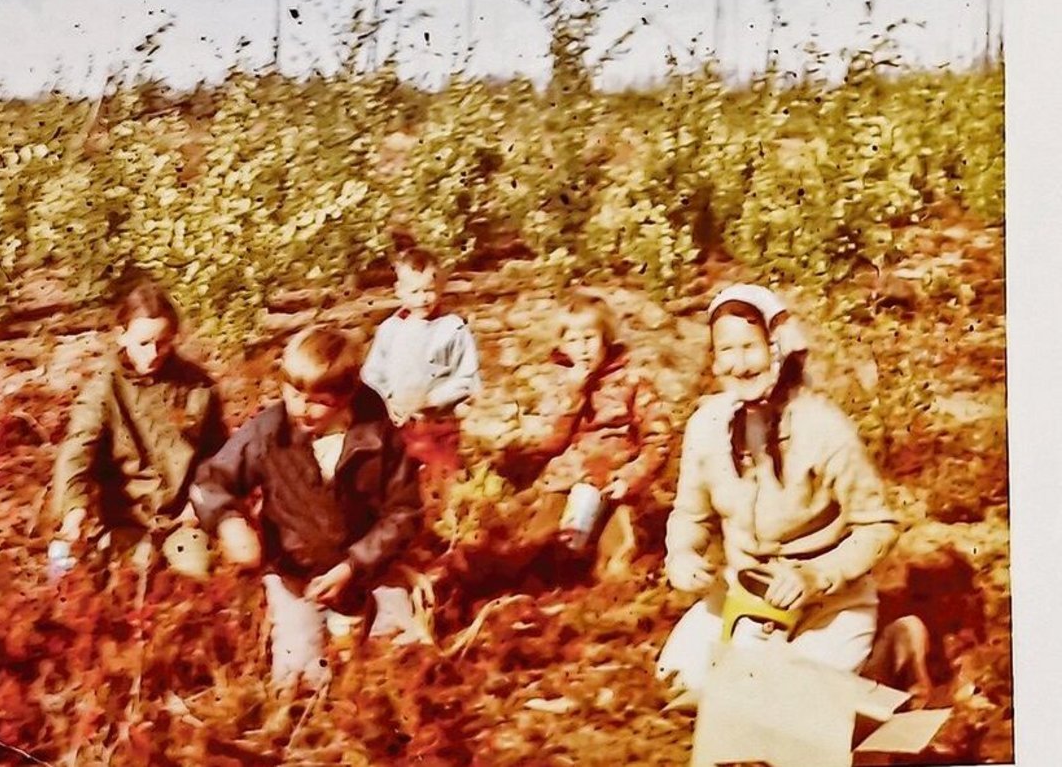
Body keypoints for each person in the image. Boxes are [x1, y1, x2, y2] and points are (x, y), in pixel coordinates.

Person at [657, 284, 900, 697]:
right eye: (726, 350)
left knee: (787, 700)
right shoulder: (707, 424)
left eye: (750, 347)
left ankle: (889, 650)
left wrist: (816, 575)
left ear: (776, 348)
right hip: (743, 597)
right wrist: (681, 554)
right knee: (681, 685)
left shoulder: (823, 426)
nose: (740, 364)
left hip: (827, 603)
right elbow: (690, 515)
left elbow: (879, 526)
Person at [189, 325, 423, 697]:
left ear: (347, 396)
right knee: (299, 680)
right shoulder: (270, 433)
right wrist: (228, 520)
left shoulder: (378, 437)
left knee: (395, 666)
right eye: (294, 393)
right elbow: (210, 480)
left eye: (319, 400)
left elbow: (405, 512)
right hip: (295, 576)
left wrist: (353, 566)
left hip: (366, 569)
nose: (302, 408)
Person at [445, 293, 672, 589]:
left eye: (590, 338)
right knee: (537, 547)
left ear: (605, 338)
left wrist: (631, 477)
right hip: (564, 481)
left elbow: (660, 437)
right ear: (563, 344)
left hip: (613, 483)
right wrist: (573, 395)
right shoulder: (558, 382)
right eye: (574, 341)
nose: (583, 349)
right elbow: (548, 442)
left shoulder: (632, 380)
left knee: (615, 562)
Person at [45, 281, 226, 583]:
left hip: (183, 521)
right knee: (119, 584)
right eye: (143, 343)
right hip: (125, 521)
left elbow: (219, 457)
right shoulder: (104, 390)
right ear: (122, 335)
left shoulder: (198, 386)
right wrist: (74, 512)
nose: (154, 353)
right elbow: (77, 452)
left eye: (164, 342)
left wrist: (200, 502)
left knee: (195, 579)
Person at [360, 247, 480, 510]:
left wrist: (431, 399)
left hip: (438, 424)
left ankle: (447, 526)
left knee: (442, 478)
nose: (423, 298)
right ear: (399, 291)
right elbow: (372, 374)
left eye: (429, 290)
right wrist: (388, 401)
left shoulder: (453, 329)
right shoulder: (390, 330)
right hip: (398, 424)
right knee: (397, 479)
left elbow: (467, 378)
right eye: (414, 292)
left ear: (440, 286)